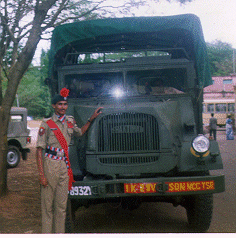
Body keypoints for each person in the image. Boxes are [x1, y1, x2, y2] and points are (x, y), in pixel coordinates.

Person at [36, 88, 102, 233]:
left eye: (65, 104)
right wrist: (41, 175)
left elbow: (81, 132)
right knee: (47, 207)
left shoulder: (70, 121)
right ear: (54, 106)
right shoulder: (46, 124)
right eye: (59, 104)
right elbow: (39, 150)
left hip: (64, 166)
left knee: (61, 207)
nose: (63, 107)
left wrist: (91, 118)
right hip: (50, 164)